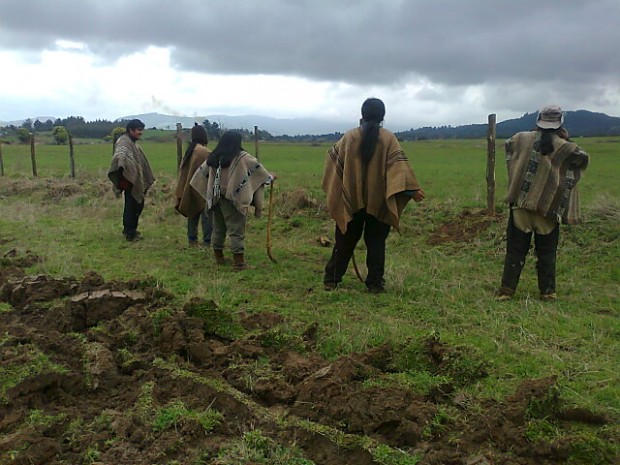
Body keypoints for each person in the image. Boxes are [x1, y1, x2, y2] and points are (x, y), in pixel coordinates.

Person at [322, 98, 425, 293]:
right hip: (379, 202)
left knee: (344, 242)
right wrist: (411, 191)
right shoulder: (388, 139)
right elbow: (399, 170)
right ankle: (375, 285)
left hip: (351, 200)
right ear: (382, 116)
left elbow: (332, 160)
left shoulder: (349, 138)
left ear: (362, 115)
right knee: (376, 243)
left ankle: (331, 280)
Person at [497, 105, 589, 301]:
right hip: (548, 208)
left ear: (538, 120)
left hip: (521, 204)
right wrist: (566, 140)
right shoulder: (566, 147)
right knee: (547, 253)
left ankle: (507, 291)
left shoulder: (521, 138)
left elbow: (508, 147)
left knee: (515, 251)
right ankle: (548, 292)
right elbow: (582, 159)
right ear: (560, 123)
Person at [190, 131, 274, 270]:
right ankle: (239, 263)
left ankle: (219, 258)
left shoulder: (213, 156)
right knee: (236, 230)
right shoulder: (242, 158)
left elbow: (201, 175)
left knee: (218, 229)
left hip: (215, 198)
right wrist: (271, 177)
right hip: (234, 199)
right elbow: (260, 173)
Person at [108, 119, 155, 241]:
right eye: (139, 130)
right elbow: (120, 156)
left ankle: (132, 230)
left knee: (137, 205)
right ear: (131, 130)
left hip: (132, 179)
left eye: (141, 130)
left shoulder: (131, 142)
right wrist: (123, 167)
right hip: (129, 180)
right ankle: (129, 233)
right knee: (131, 206)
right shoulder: (124, 142)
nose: (141, 133)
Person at [175, 123, 213, 247]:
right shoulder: (203, 152)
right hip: (202, 187)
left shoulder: (191, 150)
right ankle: (207, 241)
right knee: (206, 215)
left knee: (192, 213)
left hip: (189, 187)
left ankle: (192, 240)